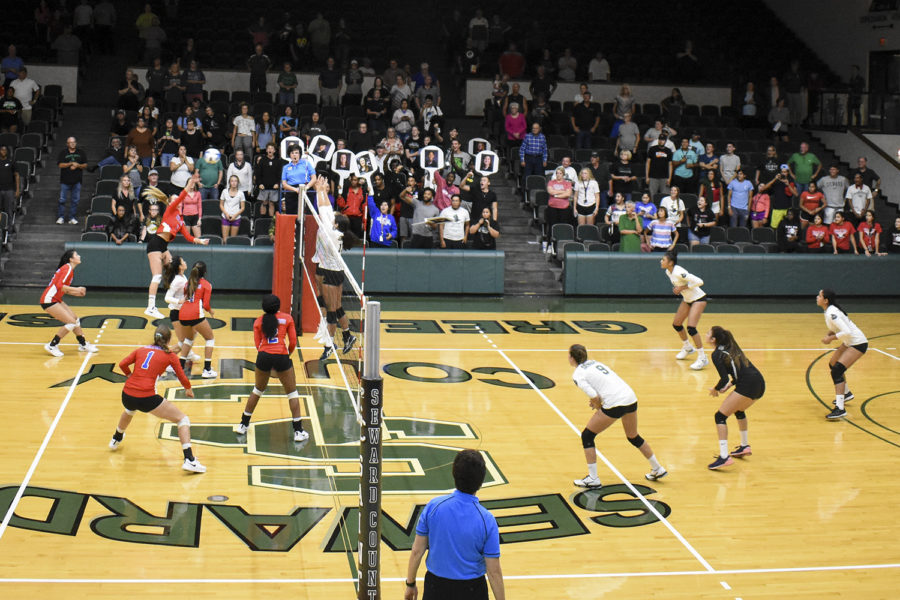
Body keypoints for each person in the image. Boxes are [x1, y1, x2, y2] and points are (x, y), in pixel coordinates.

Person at [405, 449, 506, 600]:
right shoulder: (487, 520)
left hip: (436, 588)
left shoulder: (433, 507)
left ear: (454, 474)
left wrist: (410, 584)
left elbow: (417, 551)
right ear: (481, 481)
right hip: (472, 591)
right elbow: (494, 572)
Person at [110, 325, 206, 474]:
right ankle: (190, 460)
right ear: (168, 340)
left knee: (129, 409)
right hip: (146, 397)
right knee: (182, 419)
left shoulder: (140, 350)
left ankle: (116, 438)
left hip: (127, 394)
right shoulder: (170, 356)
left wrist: (129, 375)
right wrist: (188, 389)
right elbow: (181, 375)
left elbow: (122, 364)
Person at [569, 344, 667, 488]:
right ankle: (657, 468)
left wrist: (598, 406)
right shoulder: (595, 363)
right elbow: (603, 386)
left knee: (587, 436)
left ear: (572, 358)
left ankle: (593, 478)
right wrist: (597, 402)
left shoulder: (578, 374)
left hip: (615, 403)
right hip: (630, 397)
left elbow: (594, 396)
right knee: (633, 436)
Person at [236, 295, 310, 442]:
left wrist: (267, 357)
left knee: (257, 390)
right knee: (292, 393)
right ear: (278, 306)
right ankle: (298, 431)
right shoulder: (287, 319)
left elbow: (258, 345)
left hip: (263, 356)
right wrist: (285, 355)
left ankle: (243, 425)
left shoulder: (258, 322)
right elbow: (293, 341)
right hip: (281, 355)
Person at [144, 174, 209, 319]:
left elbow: (188, 236)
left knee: (176, 271)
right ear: (171, 202)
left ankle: (175, 300)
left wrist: (200, 241)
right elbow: (181, 196)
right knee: (157, 276)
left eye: (177, 200)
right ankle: (150, 307)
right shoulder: (170, 210)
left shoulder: (180, 219)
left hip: (163, 246)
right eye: (174, 200)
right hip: (155, 244)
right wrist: (191, 183)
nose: (177, 201)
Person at [706, 326, 765, 469]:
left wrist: (716, 389)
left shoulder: (717, 355)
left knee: (720, 417)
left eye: (708, 333)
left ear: (714, 340)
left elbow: (723, 378)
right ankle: (744, 446)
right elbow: (740, 371)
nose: (706, 334)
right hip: (759, 382)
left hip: (747, 384)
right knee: (738, 410)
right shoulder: (731, 346)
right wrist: (730, 385)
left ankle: (724, 457)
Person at [311, 175, 357, 359]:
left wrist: (320, 190)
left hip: (331, 273)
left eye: (336, 217)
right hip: (324, 268)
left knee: (332, 311)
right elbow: (327, 209)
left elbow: (323, 208)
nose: (333, 216)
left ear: (336, 224)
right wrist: (322, 190)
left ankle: (330, 345)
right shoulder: (335, 227)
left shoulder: (331, 232)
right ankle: (347, 336)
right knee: (333, 307)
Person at [817, 289, 868, 419]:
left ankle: (840, 408)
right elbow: (835, 327)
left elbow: (847, 331)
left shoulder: (832, 312)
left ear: (826, 300)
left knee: (837, 371)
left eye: (820, 296)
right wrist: (829, 334)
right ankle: (846, 394)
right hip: (849, 342)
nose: (817, 297)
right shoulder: (829, 310)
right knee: (833, 364)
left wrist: (830, 339)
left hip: (857, 343)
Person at [41, 250, 98, 357]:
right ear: (71, 259)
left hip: (56, 299)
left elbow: (64, 289)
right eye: (76, 255)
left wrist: (77, 293)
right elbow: (59, 286)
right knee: (71, 322)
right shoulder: (67, 268)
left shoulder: (69, 270)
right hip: (49, 299)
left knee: (75, 319)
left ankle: (83, 344)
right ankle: (52, 345)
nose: (79, 256)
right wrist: (77, 289)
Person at [660, 250, 708, 369]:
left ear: (670, 263)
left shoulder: (679, 272)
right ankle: (687, 347)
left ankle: (702, 358)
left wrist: (681, 287)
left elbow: (699, 282)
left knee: (691, 328)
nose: (661, 261)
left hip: (699, 299)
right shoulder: (668, 272)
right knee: (677, 324)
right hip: (687, 299)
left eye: (663, 260)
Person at [176, 261, 217, 379]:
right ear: (205, 272)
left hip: (183, 314)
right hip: (195, 314)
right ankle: (207, 369)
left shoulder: (187, 283)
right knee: (210, 339)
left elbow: (186, 298)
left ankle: (180, 367)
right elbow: (206, 304)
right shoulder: (206, 284)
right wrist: (211, 311)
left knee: (188, 339)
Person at [57, 137, 87, 225]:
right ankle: (61, 217)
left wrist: (77, 165)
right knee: (62, 200)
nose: (72, 144)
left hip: (77, 181)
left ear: (76, 143)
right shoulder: (63, 153)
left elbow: (85, 165)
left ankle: (72, 217)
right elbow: (60, 165)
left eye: (74, 142)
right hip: (65, 181)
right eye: (70, 142)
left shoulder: (81, 152)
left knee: (75, 200)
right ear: (67, 144)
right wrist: (70, 163)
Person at [544, 167, 573, 254]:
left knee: (562, 227)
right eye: (557, 173)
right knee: (551, 226)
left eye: (560, 173)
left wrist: (556, 195)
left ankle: (560, 247)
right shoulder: (551, 182)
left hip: (564, 208)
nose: (558, 175)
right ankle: (550, 245)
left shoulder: (567, 183)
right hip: (552, 207)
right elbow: (550, 191)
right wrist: (562, 192)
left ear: (563, 174)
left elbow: (568, 194)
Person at [281, 144, 315, 215]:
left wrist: (306, 187)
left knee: (308, 214)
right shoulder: (286, 167)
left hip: (306, 189)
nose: (294, 155)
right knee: (292, 214)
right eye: (292, 153)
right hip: (292, 191)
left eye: (296, 153)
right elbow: (284, 184)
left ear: (300, 154)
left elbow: (314, 178)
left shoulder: (306, 163)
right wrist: (295, 190)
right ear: (289, 155)